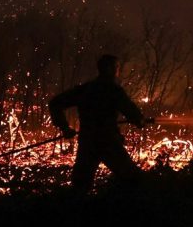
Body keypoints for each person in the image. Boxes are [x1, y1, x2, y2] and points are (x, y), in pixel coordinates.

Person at [49, 54, 148, 192]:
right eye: (116, 67)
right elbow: (131, 112)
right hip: (108, 141)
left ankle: (75, 205)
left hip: (88, 141)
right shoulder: (114, 90)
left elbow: (55, 103)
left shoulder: (85, 89)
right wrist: (140, 120)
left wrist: (65, 127)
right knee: (133, 179)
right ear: (109, 69)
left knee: (80, 185)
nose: (118, 70)